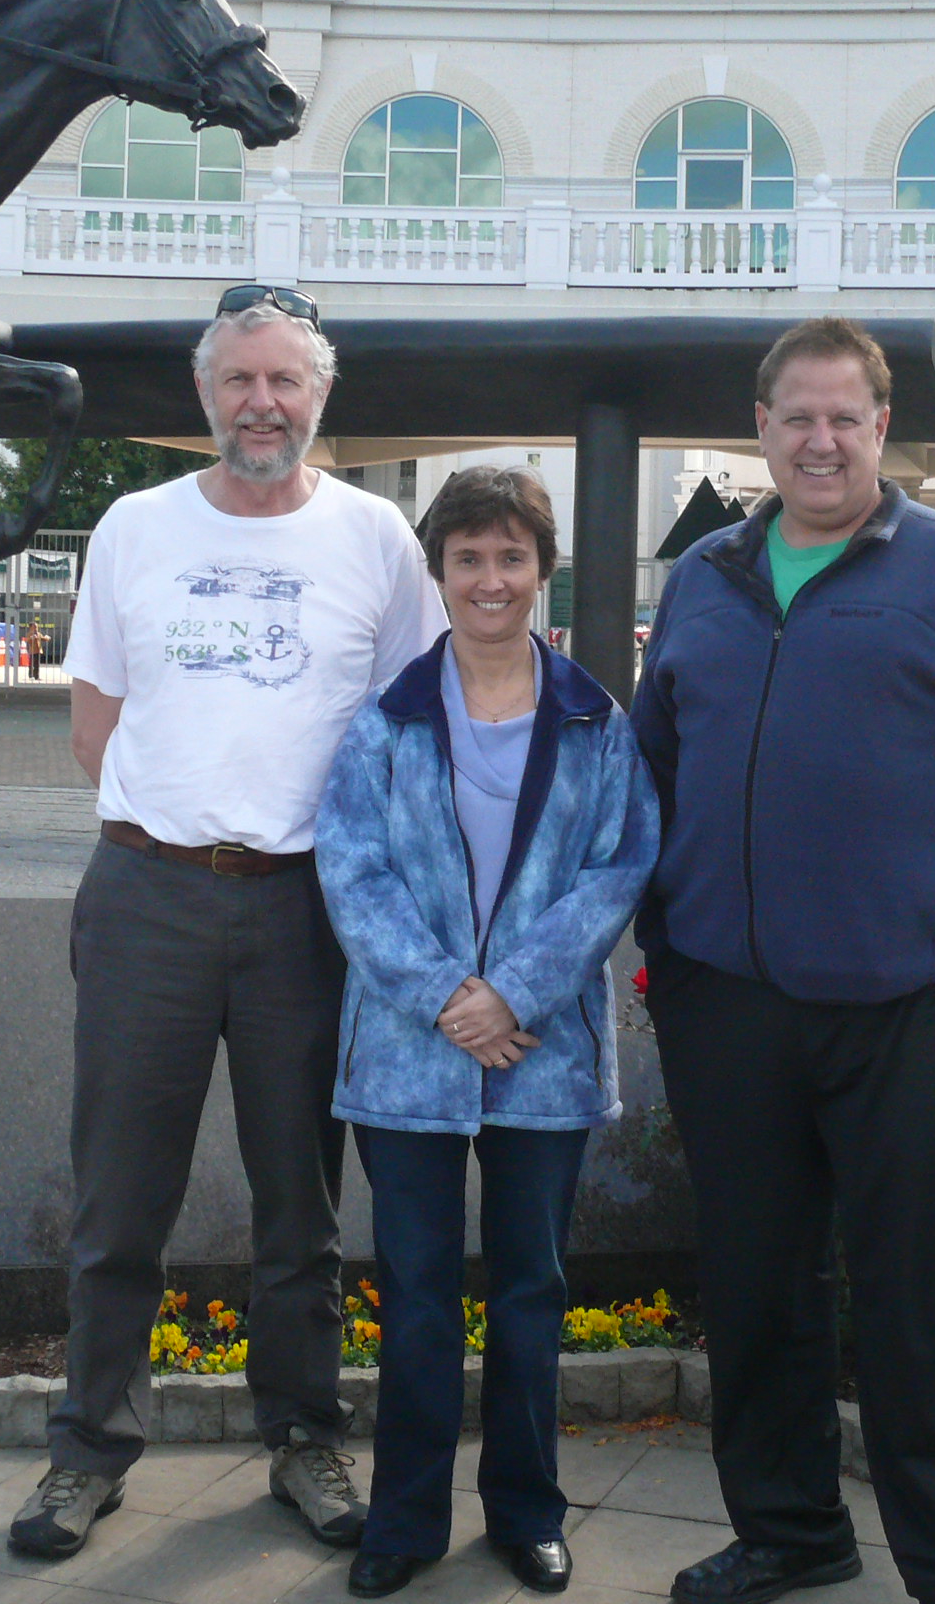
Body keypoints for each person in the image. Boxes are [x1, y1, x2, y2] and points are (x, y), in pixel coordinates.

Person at [631, 317, 935, 1604]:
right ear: (762, 432)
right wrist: (668, 948)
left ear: (882, 430)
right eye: (796, 418)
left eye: (845, 417)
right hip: (729, 1006)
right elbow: (656, 772)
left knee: (921, 1303)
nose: (820, 441)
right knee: (757, 1287)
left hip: (914, 1011)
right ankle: (790, 1535)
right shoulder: (706, 578)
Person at [10, 287, 446, 1559]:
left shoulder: (377, 539)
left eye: (285, 382)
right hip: (148, 894)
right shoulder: (133, 528)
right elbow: (97, 723)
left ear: (320, 398)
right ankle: (87, 1453)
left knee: (300, 1204)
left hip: (306, 909)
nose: (263, 403)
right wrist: (186, 820)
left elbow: (406, 725)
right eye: (240, 381)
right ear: (206, 397)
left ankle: (306, 1439)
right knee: (118, 1200)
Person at [318, 465, 659, 1599]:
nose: (490, 579)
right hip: (413, 1061)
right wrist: (445, 998)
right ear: (442, 572)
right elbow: (353, 873)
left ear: (540, 571)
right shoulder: (387, 722)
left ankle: (526, 1510)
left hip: (541, 1053)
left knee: (528, 1293)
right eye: (468, 558)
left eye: (512, 557)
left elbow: (619, 866)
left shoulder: (595, 722)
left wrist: (513, 991)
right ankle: (404, 1523)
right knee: (415, 1296)